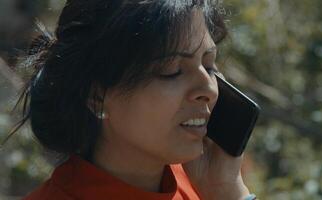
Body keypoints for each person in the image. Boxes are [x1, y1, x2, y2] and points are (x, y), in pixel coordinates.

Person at [13, 0, 257, 199]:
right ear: (97, 95)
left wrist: (227, 191)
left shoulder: (202, 186)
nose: (209, 89)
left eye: (209, 65)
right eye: (172, 71)